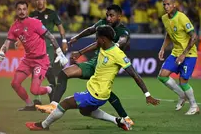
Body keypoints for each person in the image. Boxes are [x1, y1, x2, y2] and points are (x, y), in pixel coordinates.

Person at [25, 25, 160, 131]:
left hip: (97, 93)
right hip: (99, 92)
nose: (96, 41)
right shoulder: (104, 45)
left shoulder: (117, 54)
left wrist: (147, 94)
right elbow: (96, 45)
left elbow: (135, 75)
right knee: (85, 111)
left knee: (65, 103)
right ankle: (119, 121)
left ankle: (43, 125)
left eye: (97, 38)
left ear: (103, 39)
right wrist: (80, 52)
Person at [36, 4, 134, 125]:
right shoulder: (103, 23)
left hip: (105, 66)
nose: (108, 18)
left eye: (111, 16)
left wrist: (117, 45)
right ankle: (53, 105)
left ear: (119, 16)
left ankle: (125, 118)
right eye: (107, 15)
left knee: (105, 94)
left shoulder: (122, 30)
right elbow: (91, 30)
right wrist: (77, 38)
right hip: (94, 62)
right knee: (64, 73)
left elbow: (123, 39)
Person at [0, 0, 68, 111]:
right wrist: (2, 52)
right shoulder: (14, 27)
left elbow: (51, 37)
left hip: (40, 60)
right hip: (27, 60)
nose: (22, 12)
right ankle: (30, 105)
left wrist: (59, 51)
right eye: (19, 9)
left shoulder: (35, 23)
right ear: (16, 11)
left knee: (34, 90)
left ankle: (50, 88)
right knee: (15, 83)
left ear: (27, 10)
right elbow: (7, 43)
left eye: (24, 9)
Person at [157, 0, 199, 115]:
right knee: (162, 76)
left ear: (174, 5)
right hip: (175, 52)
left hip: (189, 54)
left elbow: (194, 37)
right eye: (164, 4)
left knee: (183, 81)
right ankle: (181, 95)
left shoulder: (182, 18)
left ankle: (194, 106)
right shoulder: (165, 18)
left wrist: (184, 54)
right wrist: (163, 48)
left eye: (168, 4)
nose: (166, 6)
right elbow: (169, 34)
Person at [29, 0, 68, 104]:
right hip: (34, 48)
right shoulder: (32, 15)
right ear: (34, 1)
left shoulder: (51, 13)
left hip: (48, 47)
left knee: (48, 71)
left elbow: (60, 28)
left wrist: (64, 40)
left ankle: (53, 102)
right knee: (36, 72)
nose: (39, 1)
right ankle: (37, 99)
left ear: (45, 0)